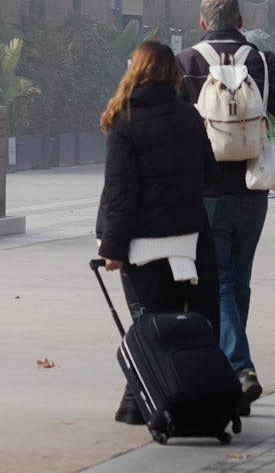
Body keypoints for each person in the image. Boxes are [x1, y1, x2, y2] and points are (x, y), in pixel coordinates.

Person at [176, 0, 275, 416]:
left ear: (203, 22)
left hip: (207, 193)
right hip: (253, 188)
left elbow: (177, 130)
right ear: (242, 22)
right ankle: (233, 375)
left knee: (221, 281)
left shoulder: (186, 63)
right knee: (238, 279)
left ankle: (239, 367)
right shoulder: (265, 63)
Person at [96, 40, 220, 426]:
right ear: (172, 74)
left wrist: (112, 248)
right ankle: (158, 396)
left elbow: (120, 191)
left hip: (142, 247)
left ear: (135, 71)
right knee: (176, 322)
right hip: (187, 241)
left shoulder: (124, 120)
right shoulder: (189, 116)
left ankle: (138, 401)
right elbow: (210, 178)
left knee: (147, 322)